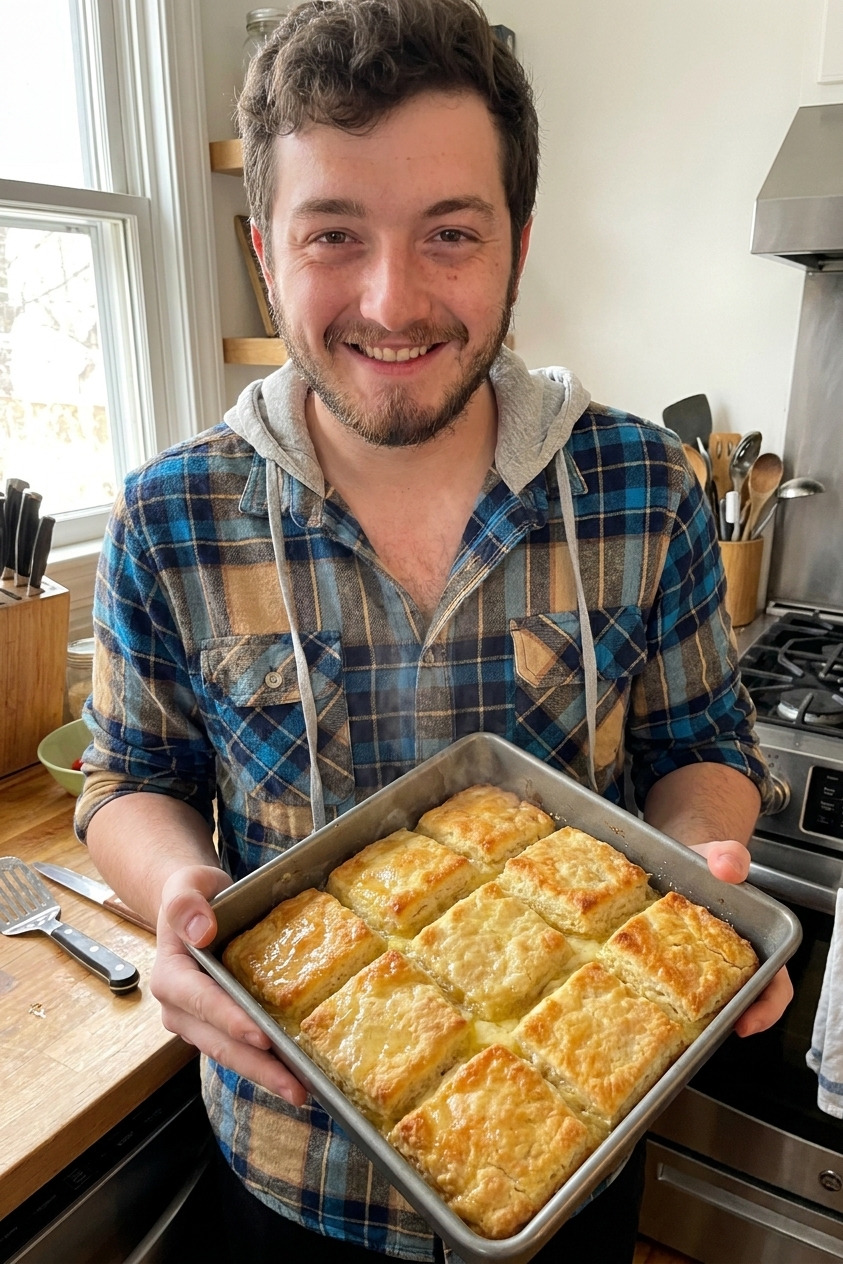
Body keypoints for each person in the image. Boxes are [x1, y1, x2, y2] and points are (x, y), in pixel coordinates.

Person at [76, 1, 792, 1260]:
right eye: (333, 235)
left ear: (518, 241)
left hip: (571, 1155)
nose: (391, 301)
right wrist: (176, 888)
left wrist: (698, 881)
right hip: (286, 1173)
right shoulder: (170, 515)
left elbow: (702, 749)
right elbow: (127, 781)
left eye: (448, 234)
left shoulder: (643, 486)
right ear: (264, 253)